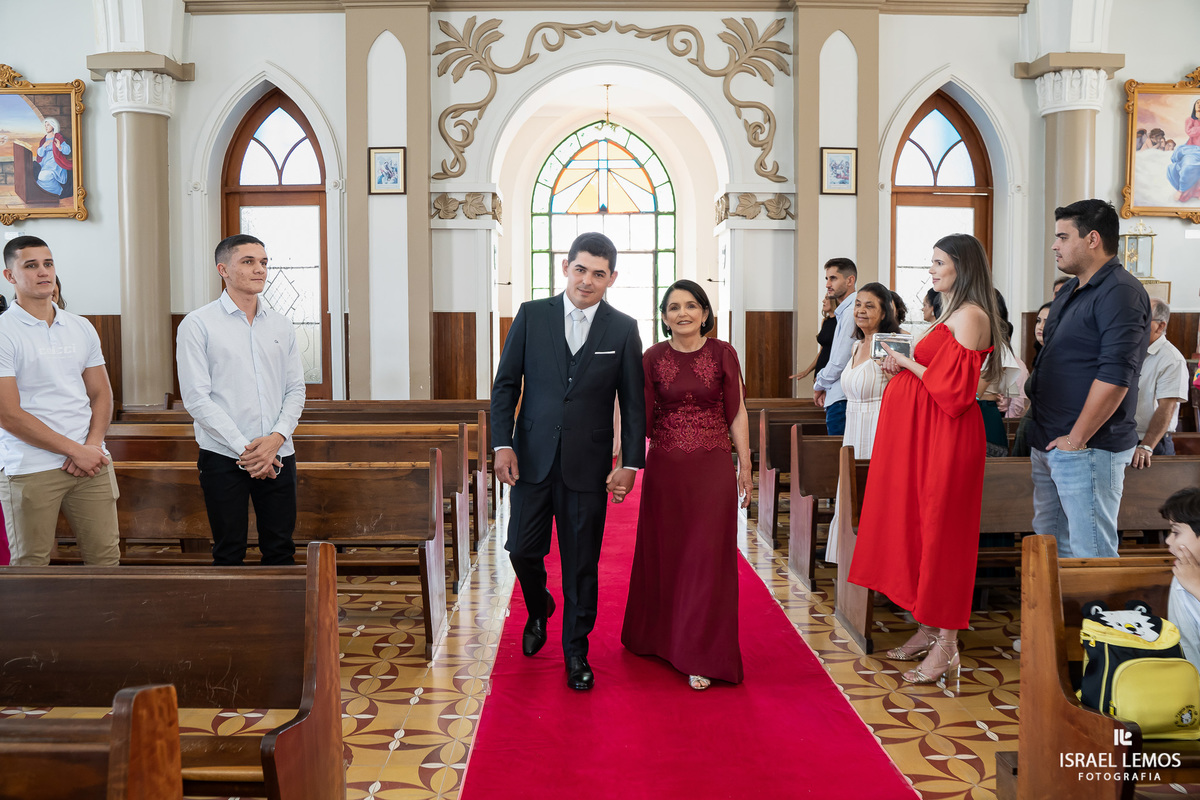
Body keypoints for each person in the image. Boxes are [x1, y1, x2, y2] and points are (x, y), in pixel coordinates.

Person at [491, 231, 645, 691]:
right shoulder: (531, 315)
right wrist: (501, 444)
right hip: (532, 459)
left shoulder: (623, 328)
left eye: (599, 273)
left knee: (581, 564)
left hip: (588, 466)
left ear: (611, 278)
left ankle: (576, 652)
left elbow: (633, 404)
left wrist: (630, 464)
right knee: (521, 548)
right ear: (565, 267)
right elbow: (506, 386)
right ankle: (539, 605)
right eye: (580, 269)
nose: (587, 280)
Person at [848, 233, 1004, 686]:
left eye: (938, 262)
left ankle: (948, 644)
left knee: (942, 535)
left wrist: (906, 363)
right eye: (931, 262)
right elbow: (935, 373)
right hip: (923, 435)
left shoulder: (972, 315)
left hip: (946, 437)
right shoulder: (951, 314)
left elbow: (955, 392)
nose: (931, 270)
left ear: (962, 266)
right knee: (918, 527)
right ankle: (928, 627)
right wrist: (902, 365)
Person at [621, 280, 750, 691]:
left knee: (706, 559)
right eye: (674, 307)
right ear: (663, 316)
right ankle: (659, 638)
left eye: (691, 305)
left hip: (713, 469)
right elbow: (636, 415)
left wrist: (746, 465)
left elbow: (737, 412)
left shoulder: (724, 353)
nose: (683, 313)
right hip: (666, 473)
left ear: (705, 313)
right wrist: (622, 462)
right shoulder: (652, 358)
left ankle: (700, 653)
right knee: (668, 555)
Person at [1027, 199, 1151, 559]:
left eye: (1063, 237)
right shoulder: (1071, 290)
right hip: (1052, 440)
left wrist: (1076, 439)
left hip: (1088, 447)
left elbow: (1115, 375)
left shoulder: (1121, 292)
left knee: (1091, 553)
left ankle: (1095, 604)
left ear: (1093, 239)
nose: (1055, 245)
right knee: (1051, 549)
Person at [176, 234, 305, 567]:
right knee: (228, 551)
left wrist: (275, 439)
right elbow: (196, 398)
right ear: (223, 270)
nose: (259, 269)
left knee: (281, 549)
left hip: (278, 453)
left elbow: (295, 390)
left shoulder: (281, 325)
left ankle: (278, 604)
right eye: (248, 262)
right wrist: (247, 451)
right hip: (223, 455)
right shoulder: (198, 324)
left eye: (263, 262)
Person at [0, 235, 119, 566]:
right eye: (31, 265)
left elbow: (101, 393)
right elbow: (8, 414)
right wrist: (75, 451)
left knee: (106, 561)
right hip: (31, 465)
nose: (43, 272)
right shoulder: (4, 332)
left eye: (48, 263)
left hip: (91, 463)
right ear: (10, 276)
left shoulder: (80, 327)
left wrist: (91, 446)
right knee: (31, 565)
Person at [824, 282, 900, 564]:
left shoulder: (891, 345)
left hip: (880, 427)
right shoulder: (857, 346)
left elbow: (904, 391)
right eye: (858, 305)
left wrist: (894, 375)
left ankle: (876, 563)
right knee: (852, 494)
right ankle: (851, 561)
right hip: (854, 427)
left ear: (884, 312)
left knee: (876, 499)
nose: (861, 311)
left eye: (870, 306)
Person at [1131, 299, 1189, 468]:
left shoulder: (1172, 359)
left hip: (1151, 442)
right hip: (1124, 437)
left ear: (1160, 326)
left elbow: (1167, 408)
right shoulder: (1132, 350)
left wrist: (1146, 445)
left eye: (1141, 319)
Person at [812, 258, 858, 436]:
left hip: (842, 396)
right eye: (827, 279)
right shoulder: (844, 311)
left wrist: (820, 384)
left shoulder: (851, 312)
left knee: (840, 451)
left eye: (833, 278)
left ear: (850, 280)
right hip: (837, 393)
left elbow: (840, 360)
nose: (827, 284)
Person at [1161, 488, 1200, 671]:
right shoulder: (1182, 578)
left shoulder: (1190, 580)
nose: (1168, 541)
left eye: (1176, 532)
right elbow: (1187, 650)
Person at [789, 295, 837, 381]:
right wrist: (806, 372)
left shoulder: (841, 322)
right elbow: (822, 352)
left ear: (834, 301)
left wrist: (826, 373)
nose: (823, 301)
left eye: (827, 298)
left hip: (831, 372)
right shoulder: (825, 321)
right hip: (820, 370)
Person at [1167, 99, 1200, 203]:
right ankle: (1182, 189)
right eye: (1198, 103)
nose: (1199, 105)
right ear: (1194, 106)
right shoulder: (1190, 120)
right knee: (1189, 165)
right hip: (1192, 149)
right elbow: (1190, 132)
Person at [35, 118, 73, 197]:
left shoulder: (58, 137)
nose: (46, 127)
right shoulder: (43, 140)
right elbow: (40, 154)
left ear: (53, 126)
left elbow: (68, 150)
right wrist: (44, 146)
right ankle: (45, 194)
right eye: (45, 125)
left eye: (48, 125)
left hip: (56, 162)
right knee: (42, 176)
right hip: (45, 163)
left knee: (44, 175)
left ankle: (56, 192)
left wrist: (59, 147)